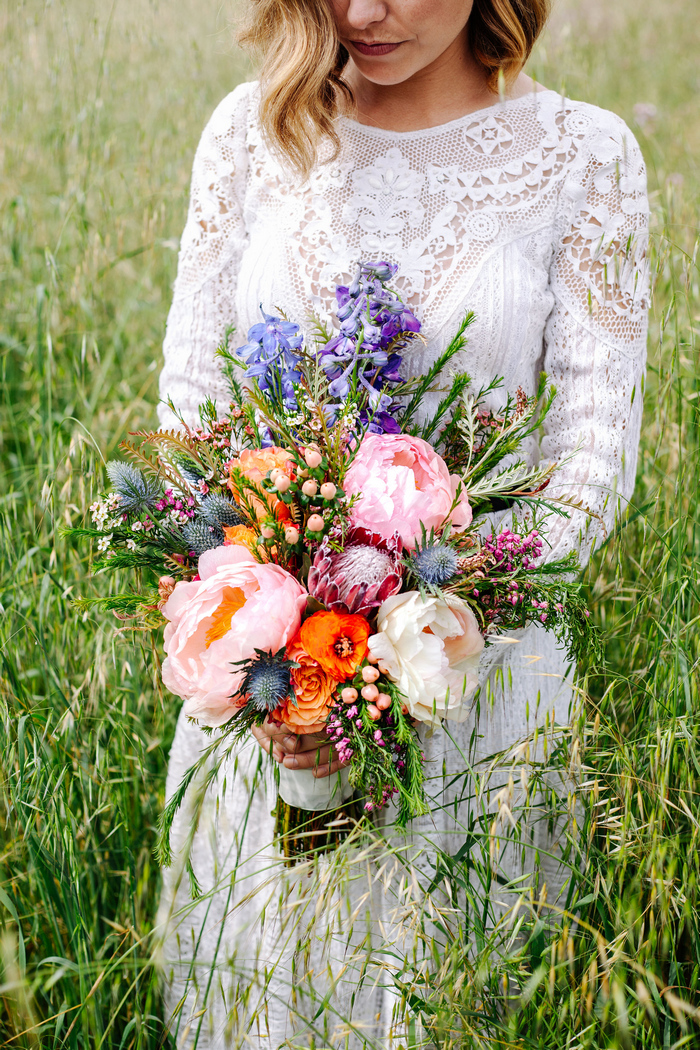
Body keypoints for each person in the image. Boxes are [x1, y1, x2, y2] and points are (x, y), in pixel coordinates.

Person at [155, 0, 649, 1046]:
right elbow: (192, 410)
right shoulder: (253, 134)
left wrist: (412, 620)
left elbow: (591, 457)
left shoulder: (582, 155)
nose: (363, 12)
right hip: (269, 694)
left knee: (456, 1004)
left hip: (476, 684)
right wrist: (276, 627)